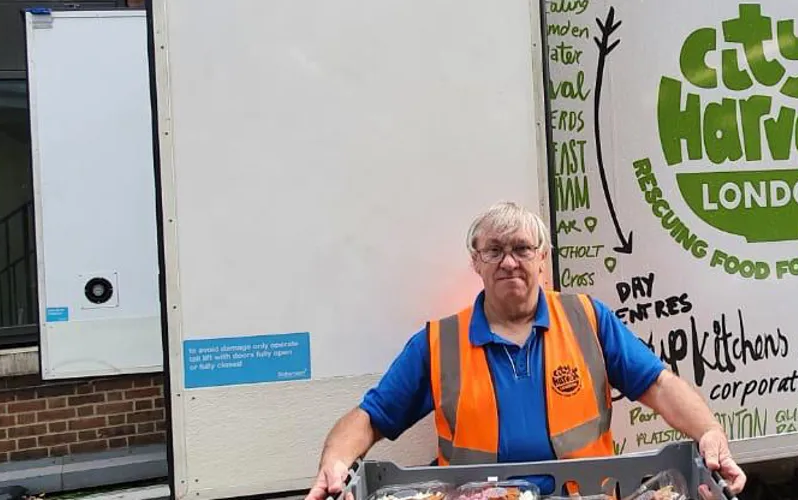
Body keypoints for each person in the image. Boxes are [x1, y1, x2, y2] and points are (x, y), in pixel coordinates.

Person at [305, 202, 748, 500]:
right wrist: (335, 462)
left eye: (521, 248)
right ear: (475, 262)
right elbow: (369, 417)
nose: (508, 262)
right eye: (494, 251)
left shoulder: (588, 319)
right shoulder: (437, 343)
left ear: (543, 258)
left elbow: (661, 385)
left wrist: (709, 432)